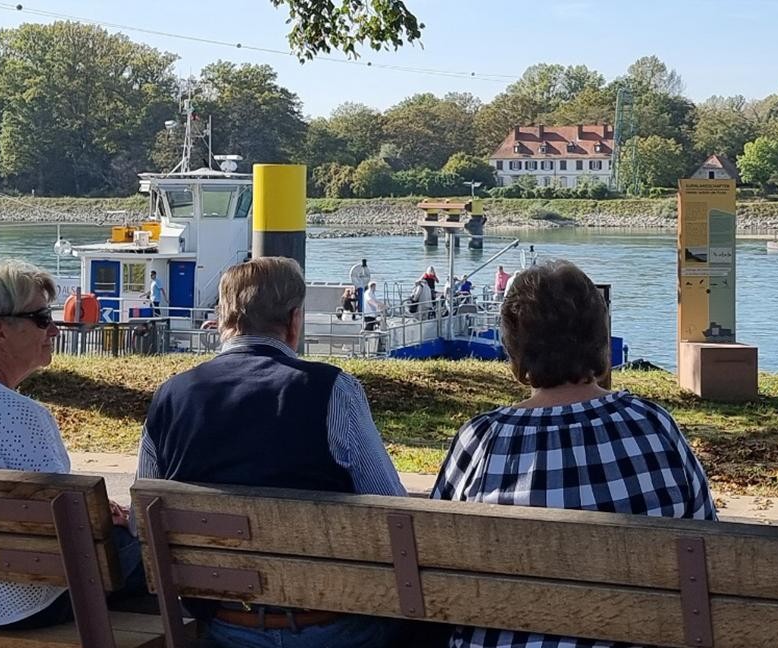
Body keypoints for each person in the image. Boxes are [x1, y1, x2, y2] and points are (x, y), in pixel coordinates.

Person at [429, 261, 716, 648]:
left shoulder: (482, 440)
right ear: (599, 338)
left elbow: (434, 564)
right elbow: (706, 548)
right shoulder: (653, 426)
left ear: (515, 348)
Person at [139, 257, 403, 646]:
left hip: (223, 624)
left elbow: (143, 516)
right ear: (295, 321)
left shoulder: (171, 395)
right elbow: (391, 508)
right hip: (331, 624)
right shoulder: (332, 390)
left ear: (223, 320)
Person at [0, 261, 149, 630]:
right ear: (0, 331)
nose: (53, 328)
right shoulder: (17, 412)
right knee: (162, 550)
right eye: (40, 318)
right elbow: (68, 525)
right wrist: (112, 518)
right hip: (23, 600)